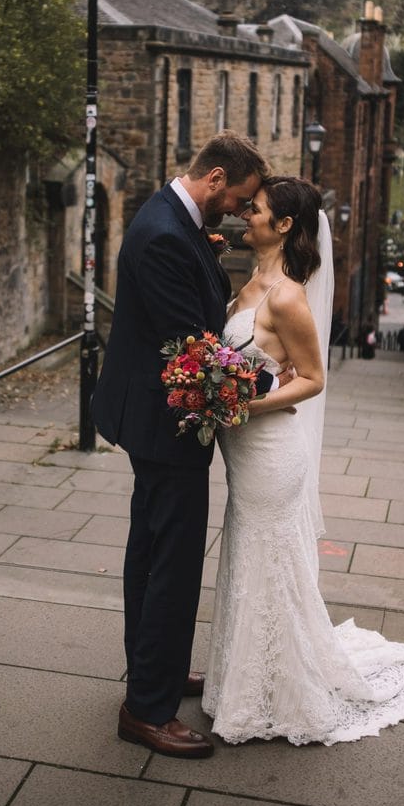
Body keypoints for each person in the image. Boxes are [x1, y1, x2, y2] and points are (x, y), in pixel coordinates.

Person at [204, 176, 404, 745]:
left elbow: (312, 378)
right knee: (247, 557)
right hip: (245, 451)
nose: (245, 216)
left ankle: (282, 692)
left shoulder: (285, 294)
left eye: (255, 210)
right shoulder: (252, 280)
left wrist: (251, 403)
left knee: (269, 562)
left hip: (271, 453)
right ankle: (249, 682)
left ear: (284, 226)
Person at [94, 131, 275, 760]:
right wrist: (272, 379)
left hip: (150, 415)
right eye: (241, 198)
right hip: (162, 424)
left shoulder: (175, 217)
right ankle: (147, 709)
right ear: (217, 177)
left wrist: (211, 251)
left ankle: (156, 672)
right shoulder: (167, 234)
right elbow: (193, 350)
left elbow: (190, 299)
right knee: (169, 563)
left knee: (150, 550)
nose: (241, 211)